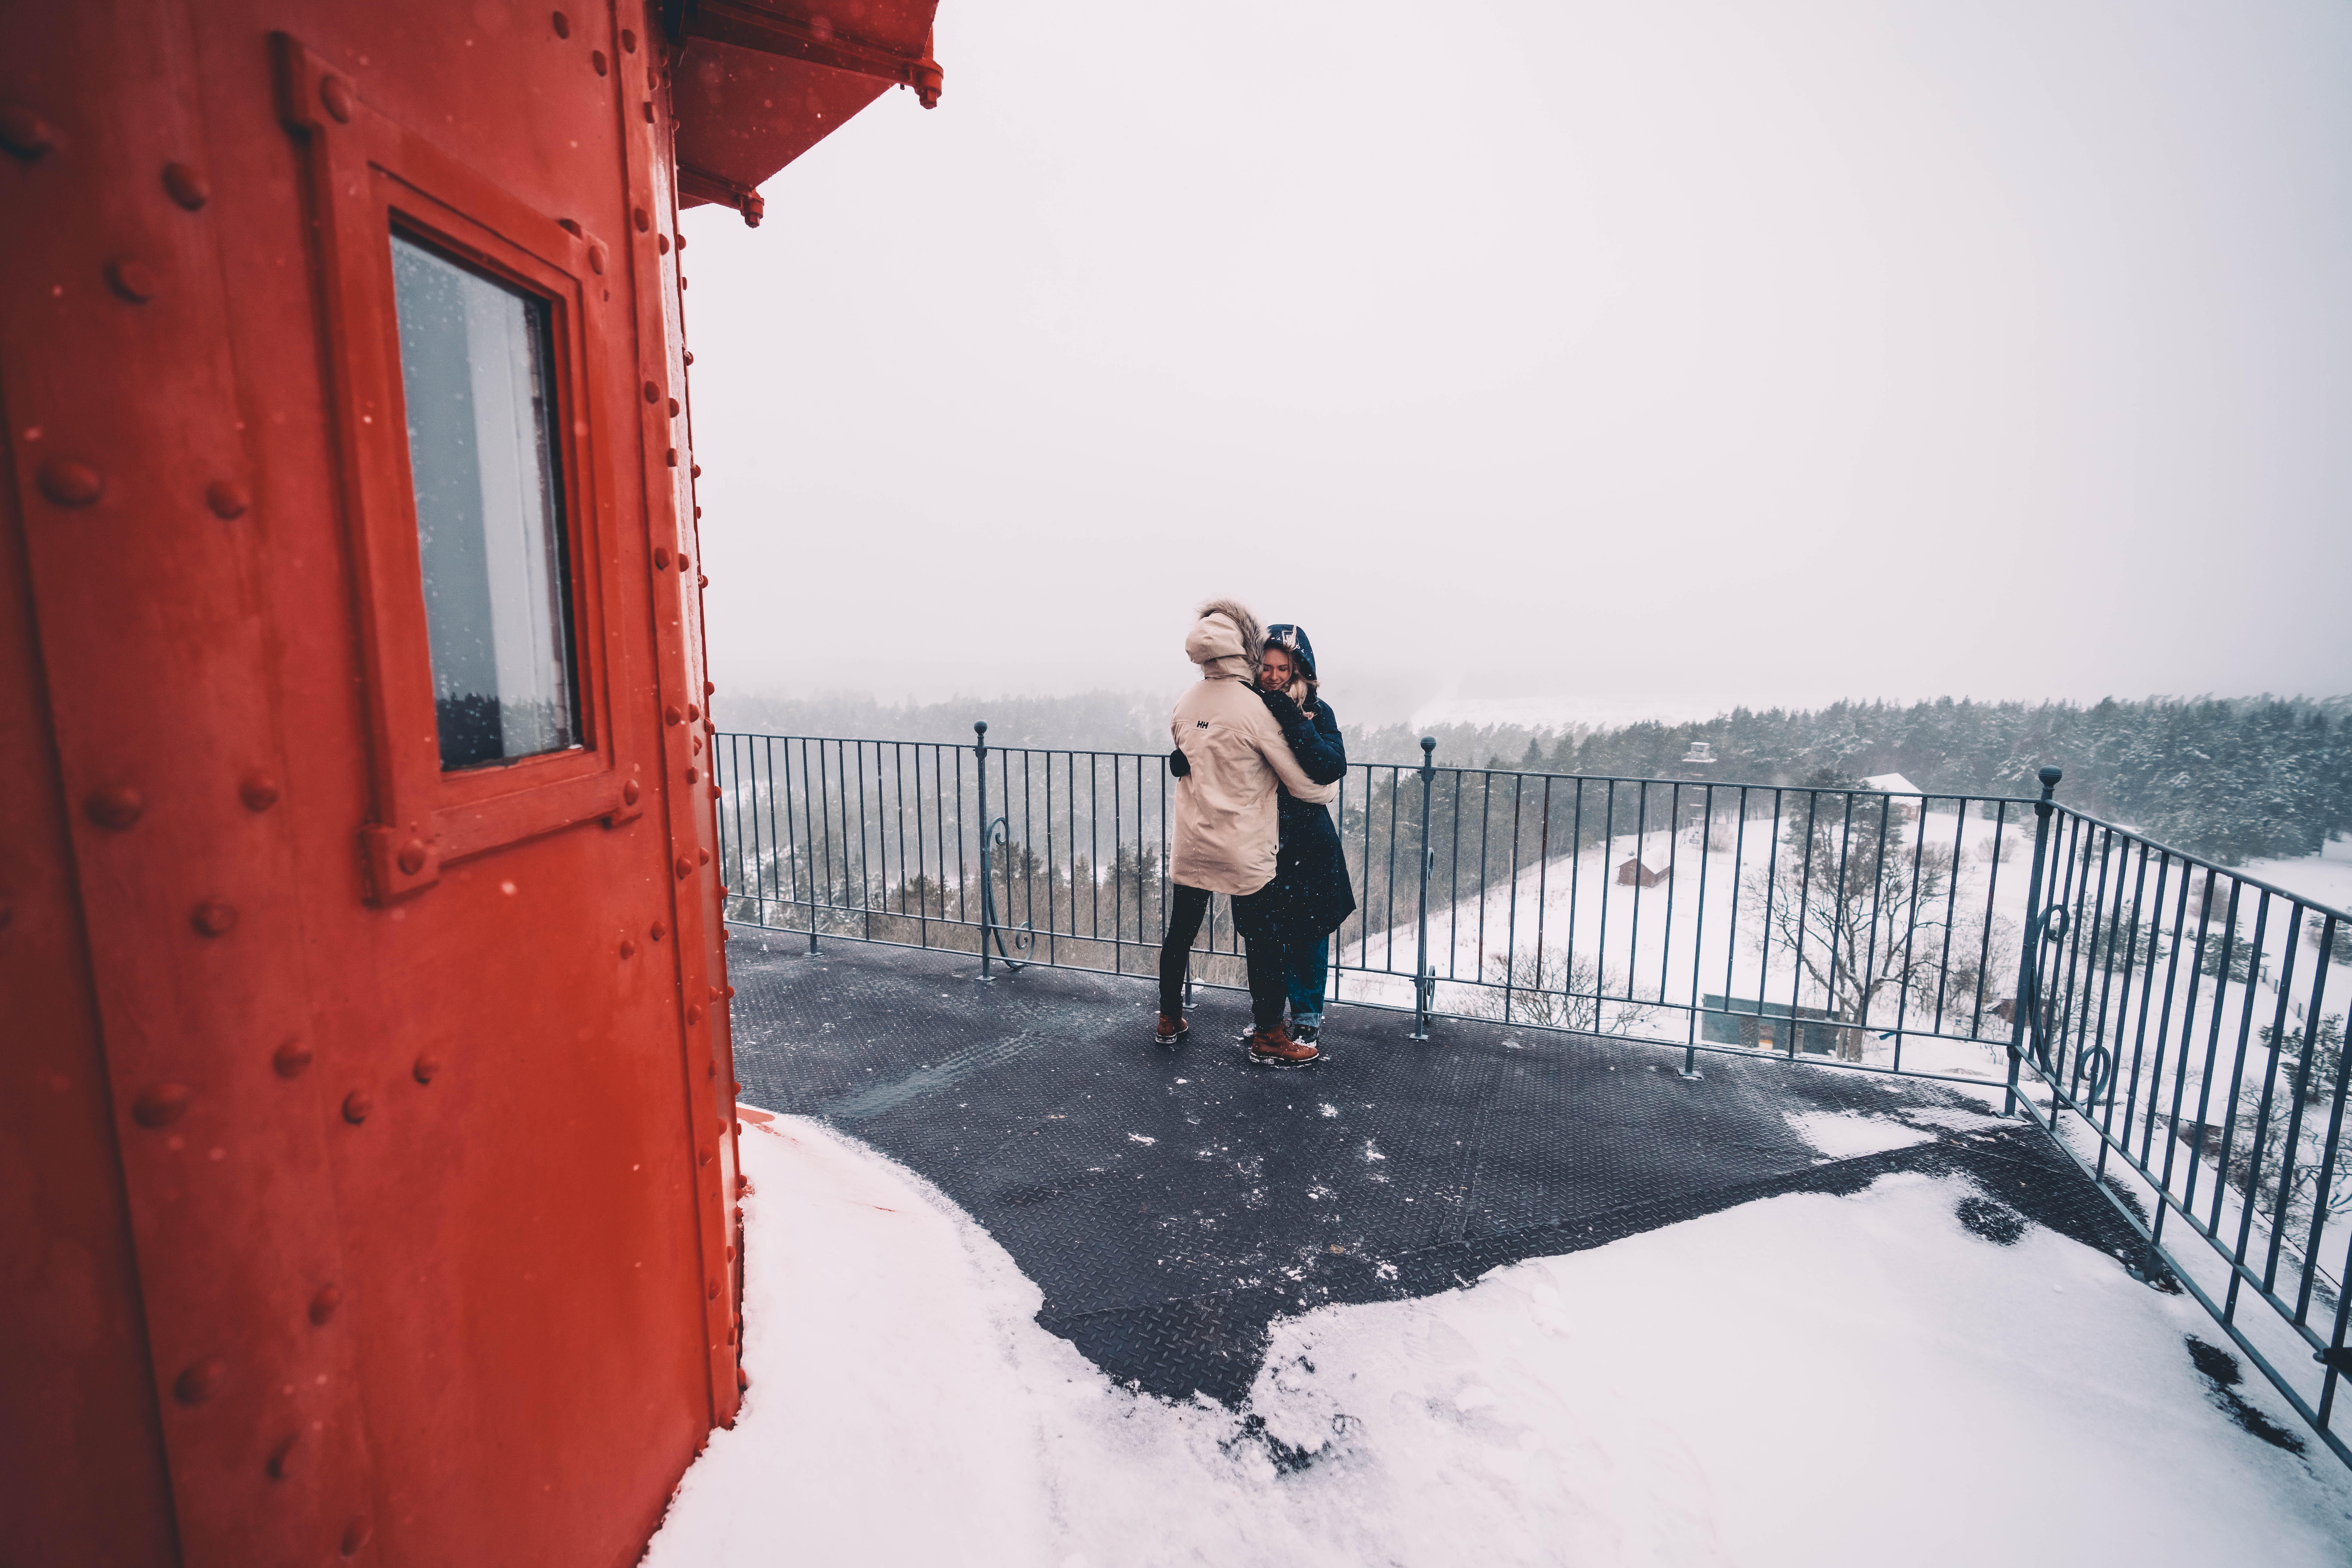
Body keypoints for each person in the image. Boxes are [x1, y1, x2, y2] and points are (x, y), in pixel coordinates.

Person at [1158, 599, 1328, 1068]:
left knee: (1180, 934)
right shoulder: (1252, 707)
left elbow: (1186, 755)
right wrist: (1321, 788)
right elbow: (1303, 783)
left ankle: (1169, 1018)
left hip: (1193, 840)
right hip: (1242, 846)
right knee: (1263, 940)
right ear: (1243, 647)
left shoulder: (1187, 701)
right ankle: (1270, 1035)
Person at [1253, 624, 1354, 1045]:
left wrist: (1293, 719)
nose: (1273, 676)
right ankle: (1271, 1019)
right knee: (1267, 933)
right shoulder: (1246, 707)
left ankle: (1308, 1015)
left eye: (1284, 668)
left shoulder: (1317, 710)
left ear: (1300, 671)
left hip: (1308, 841)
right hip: (1262, 836)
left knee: (1309, 933)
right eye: (1266, 667)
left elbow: (1330, 765)